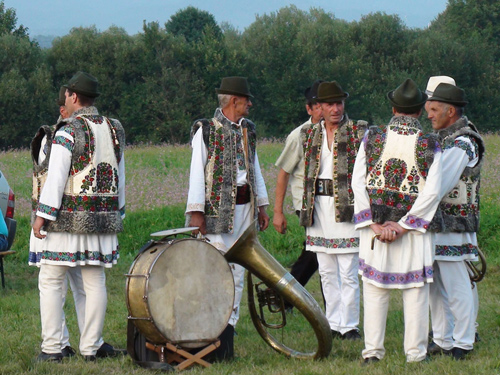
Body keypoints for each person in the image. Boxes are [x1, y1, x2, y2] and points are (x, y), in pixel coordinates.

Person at [30, 71, 126, 362]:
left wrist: (41, 216)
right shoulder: (114, 128)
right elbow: (120, 174)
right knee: (94, 280)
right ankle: (91, 347)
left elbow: (55, 179)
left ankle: (53, 347)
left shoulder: (67, 131)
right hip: (102, 218)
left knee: (50, 279)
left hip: (67, 221)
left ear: (72, 97)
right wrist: (117, 210)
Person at [352, 78, 443, 363]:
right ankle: (415, 354)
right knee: (415, 293)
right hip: (413, 233)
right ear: (419, 110)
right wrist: (404, 226)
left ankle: (372, 353)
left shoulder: (373, 136)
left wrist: (373, 224)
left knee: (375, 291)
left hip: (375, 232)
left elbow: (357, 182)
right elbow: (433, 191)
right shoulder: (430, 143)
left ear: (393, 108)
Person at [185, 76, 270, 359]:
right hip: (217, 213)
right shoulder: (206, 130)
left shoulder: (250, 130)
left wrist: (262, 206)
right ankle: (210, 333)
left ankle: (227, 335)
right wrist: (196, 213)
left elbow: (255, 167)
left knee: (237, 272)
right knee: (214, 271)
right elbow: (197, 173)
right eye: (246, 99)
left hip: (245, 211)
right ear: (234, 101)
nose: (250, 103)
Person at [275, 80, 366, 340]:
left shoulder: (359, 131)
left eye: (339, 103)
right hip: (316, 208)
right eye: (330, 104)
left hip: (346, 207)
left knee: (348, 269)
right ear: (320, 108)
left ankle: (349, 326)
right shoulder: (307, 134)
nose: (336, 109)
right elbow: (285, 171)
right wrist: (280, 210)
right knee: (326, 269)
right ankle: (333, 323)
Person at [426, 81, 484, 360]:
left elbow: (439, 183)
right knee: (435, 283)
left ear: (451, 111)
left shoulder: (464, 142)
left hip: (455, 225)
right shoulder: (445, 139)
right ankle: (443, 339)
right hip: (437, 224)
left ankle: (463, 341)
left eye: (434, 109)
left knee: (456, 283)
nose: (429, 115)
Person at [273, 80, 324, 309]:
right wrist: (277, 212)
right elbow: (283, 173)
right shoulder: (299, 136)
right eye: (318, 105)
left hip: (332, 203)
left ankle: (286, 297)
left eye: (328, 103)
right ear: (309, 109)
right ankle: (287, 297)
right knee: (318, 253)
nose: (324, 110)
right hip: (307, 204)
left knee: (317, 254)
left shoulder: (341, 133)